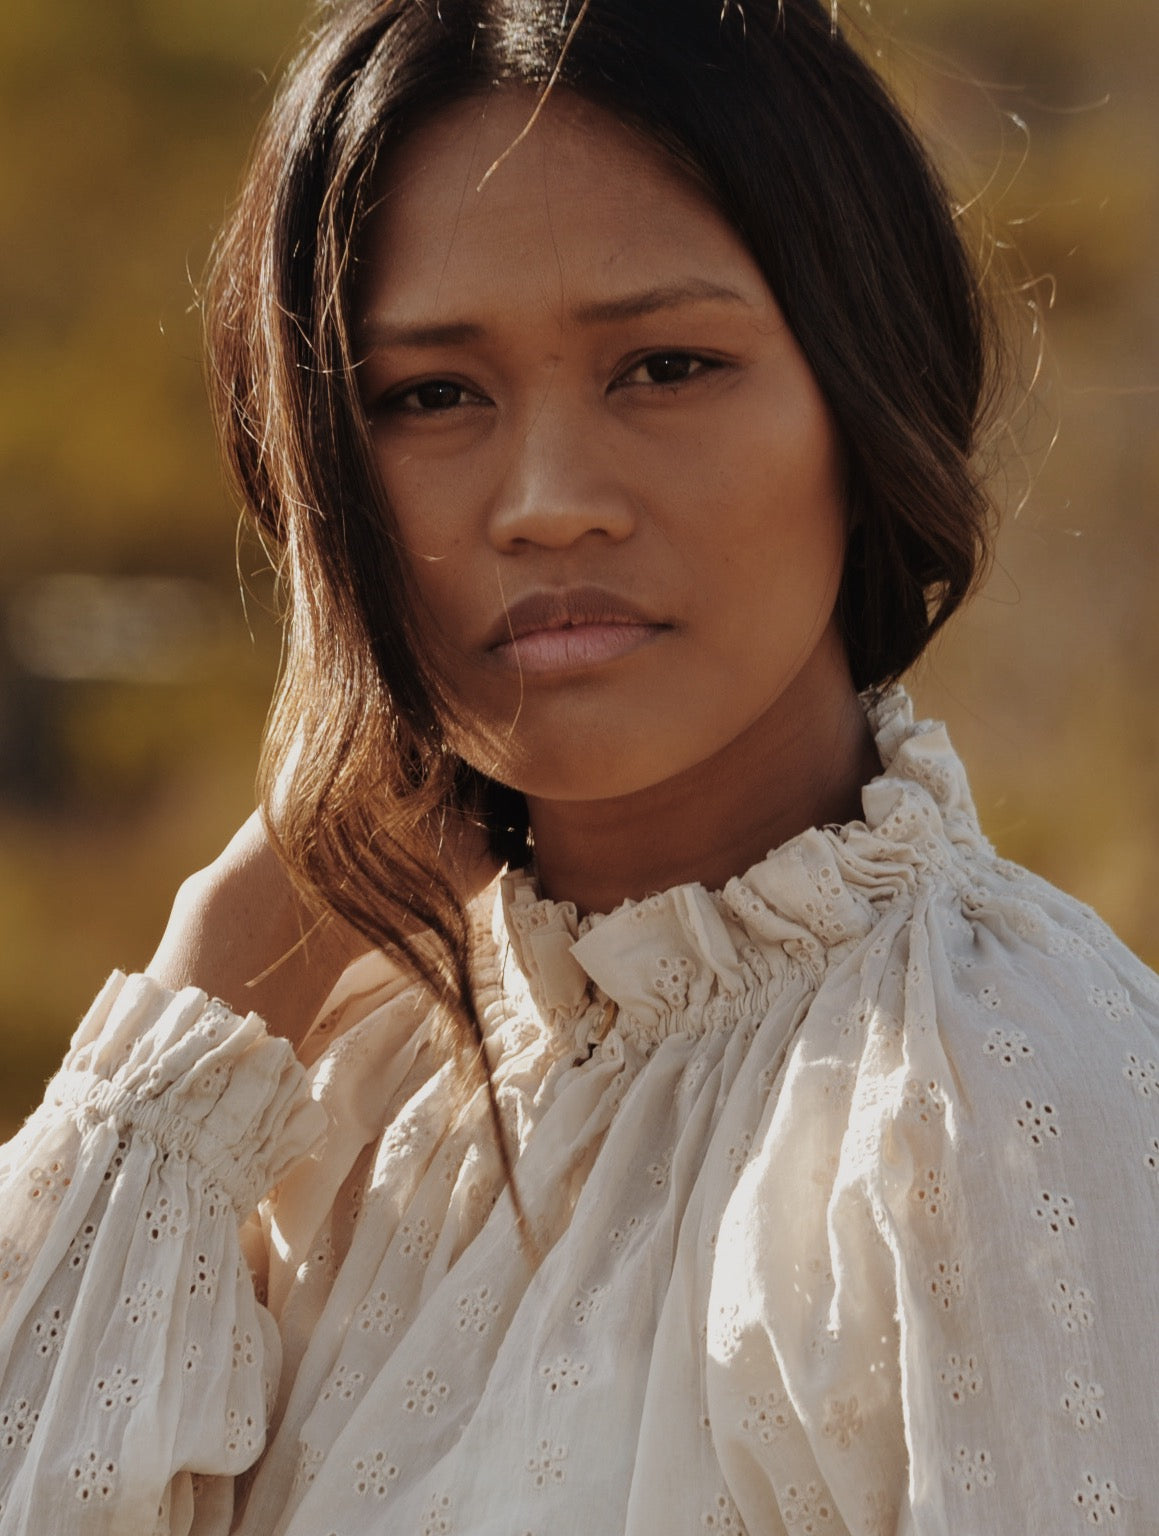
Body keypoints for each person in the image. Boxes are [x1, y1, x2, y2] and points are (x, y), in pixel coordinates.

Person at [0, 0, 1156, 1531]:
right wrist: (221, 971)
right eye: (431, 396)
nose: (547, 504)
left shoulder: (992, 1096)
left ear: (865, 397)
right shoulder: (318, 1093)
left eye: (667, 366)